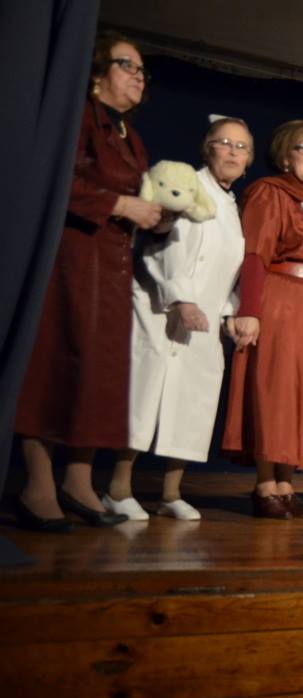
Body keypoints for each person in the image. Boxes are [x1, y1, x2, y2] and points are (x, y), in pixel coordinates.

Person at [12, 31, 160, 531]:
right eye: (126, 65)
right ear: (97, 74)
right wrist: (119, 204)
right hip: (73, 257)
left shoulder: (130, 136)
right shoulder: (78, 118)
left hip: (114, 263)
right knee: (56, 365)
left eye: (141, 69)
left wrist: (156, 216)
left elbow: (139, 197)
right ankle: (37, 483)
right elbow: (55, 179)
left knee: (102, 375)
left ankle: (78, 481)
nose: (138, 76)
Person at [101, 117, 254, 522]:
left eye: (241, 147)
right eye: (224, 142)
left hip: (204, 319)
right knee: (143, 395)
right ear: (208, 148)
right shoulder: (187, 185)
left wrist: (229, 312)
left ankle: (171, 493)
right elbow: (163, 246)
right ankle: (118, 489)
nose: (233, 152)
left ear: (248, 161)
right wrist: (182, 298)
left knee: (192, 402)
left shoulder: (232, 207)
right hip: (160, 308)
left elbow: (228, 268)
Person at [221, 120, 303, 519]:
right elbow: (255, 254)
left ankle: (286, 482)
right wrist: (249, 310)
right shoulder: (270, 192)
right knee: (276, 390)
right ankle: (265, 483)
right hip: (283, 301)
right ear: (285, 154)